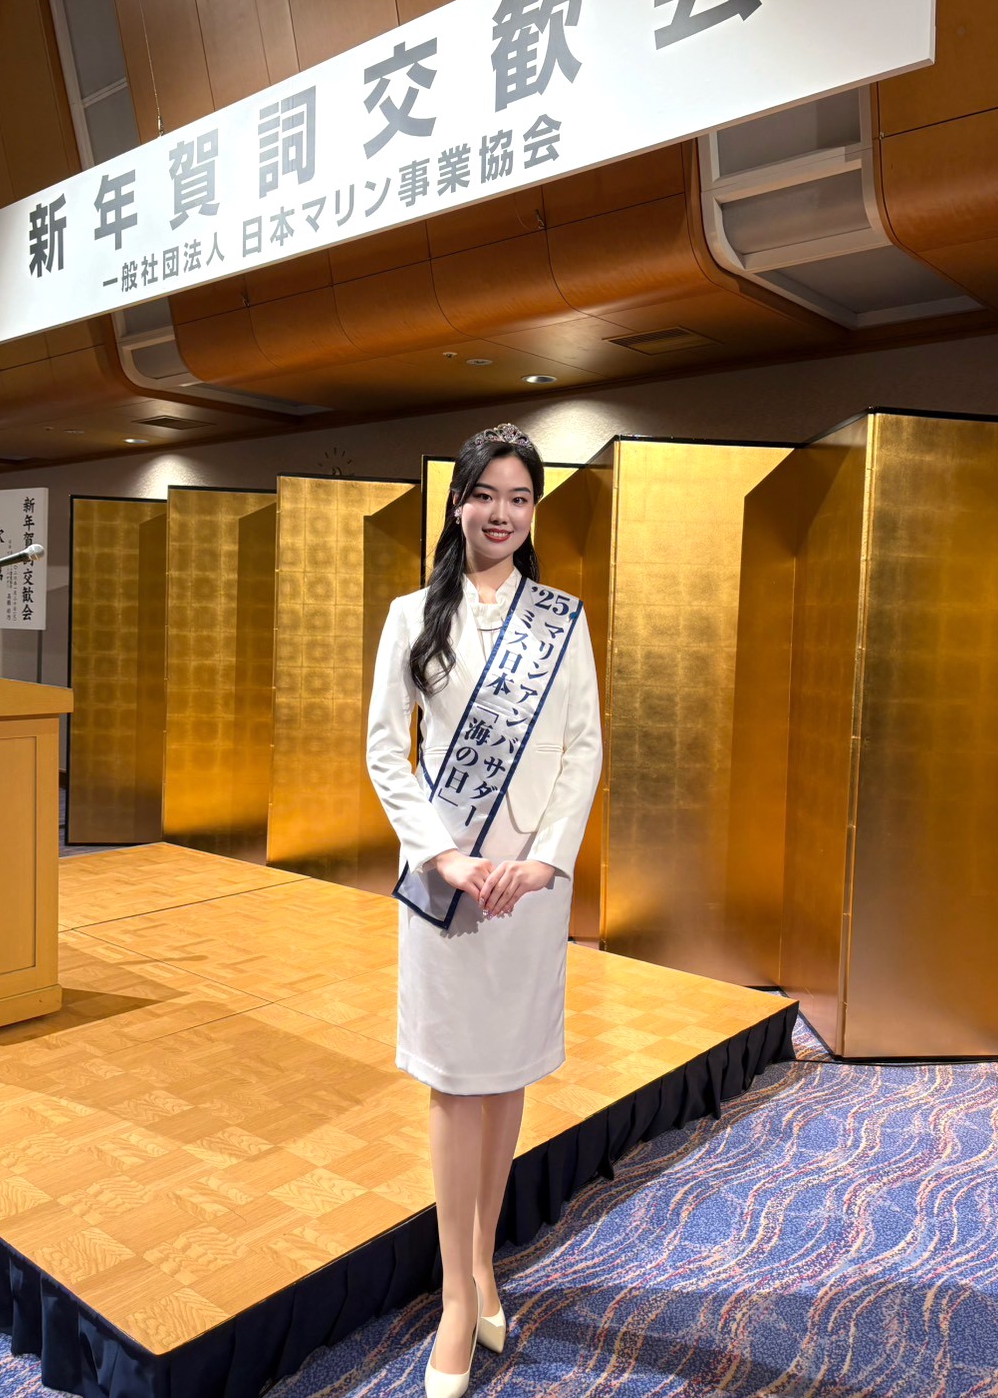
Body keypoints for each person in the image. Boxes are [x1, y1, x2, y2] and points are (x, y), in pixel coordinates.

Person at [366, 423, 603, 1397]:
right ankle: (457, 1296)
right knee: (455, 1079)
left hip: (528, 890)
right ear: (457, 502)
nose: (502, 513)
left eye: (520, 498)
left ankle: (482, 1261)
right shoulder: (409, 616)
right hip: (446, 883)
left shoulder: (561, 620)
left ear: (532, 511)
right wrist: (447, 855)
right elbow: (386, 751)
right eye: (486, 494)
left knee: (504, 1077)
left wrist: (543, 862)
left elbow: (583, 747)